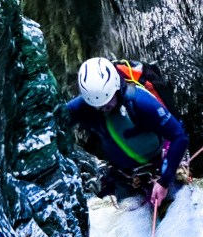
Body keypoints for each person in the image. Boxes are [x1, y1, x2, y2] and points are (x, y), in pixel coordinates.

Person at [67, 57, 189, 207]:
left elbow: (179, 136)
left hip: (159, 165)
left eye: (108, 102)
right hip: (124, 175)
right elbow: (60, 117)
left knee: (175, 207)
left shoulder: (139, 101)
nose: (104, 109)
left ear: (116, 88)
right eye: (99, 106)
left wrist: (164, 181)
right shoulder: (86, 106)